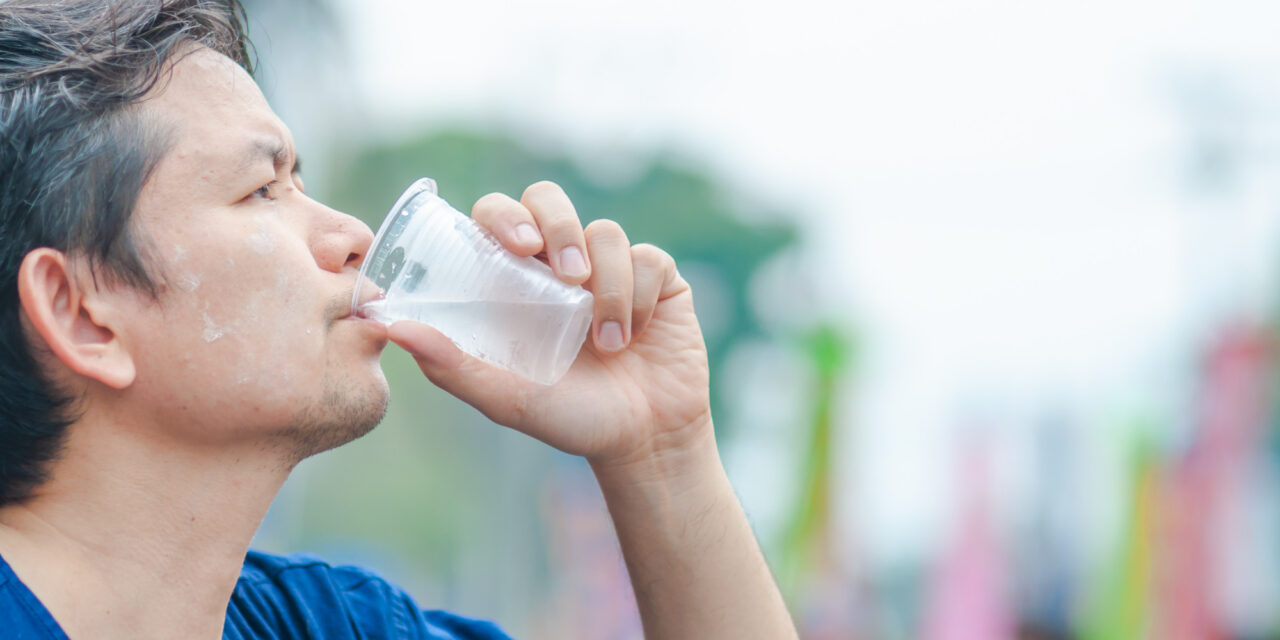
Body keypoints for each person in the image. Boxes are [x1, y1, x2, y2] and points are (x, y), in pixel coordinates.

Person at [0, 1, 797, 638]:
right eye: (261, 191)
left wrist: (660, 453)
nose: (351, 235)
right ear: (82, 313)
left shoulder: (333, 623)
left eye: (300, 183)